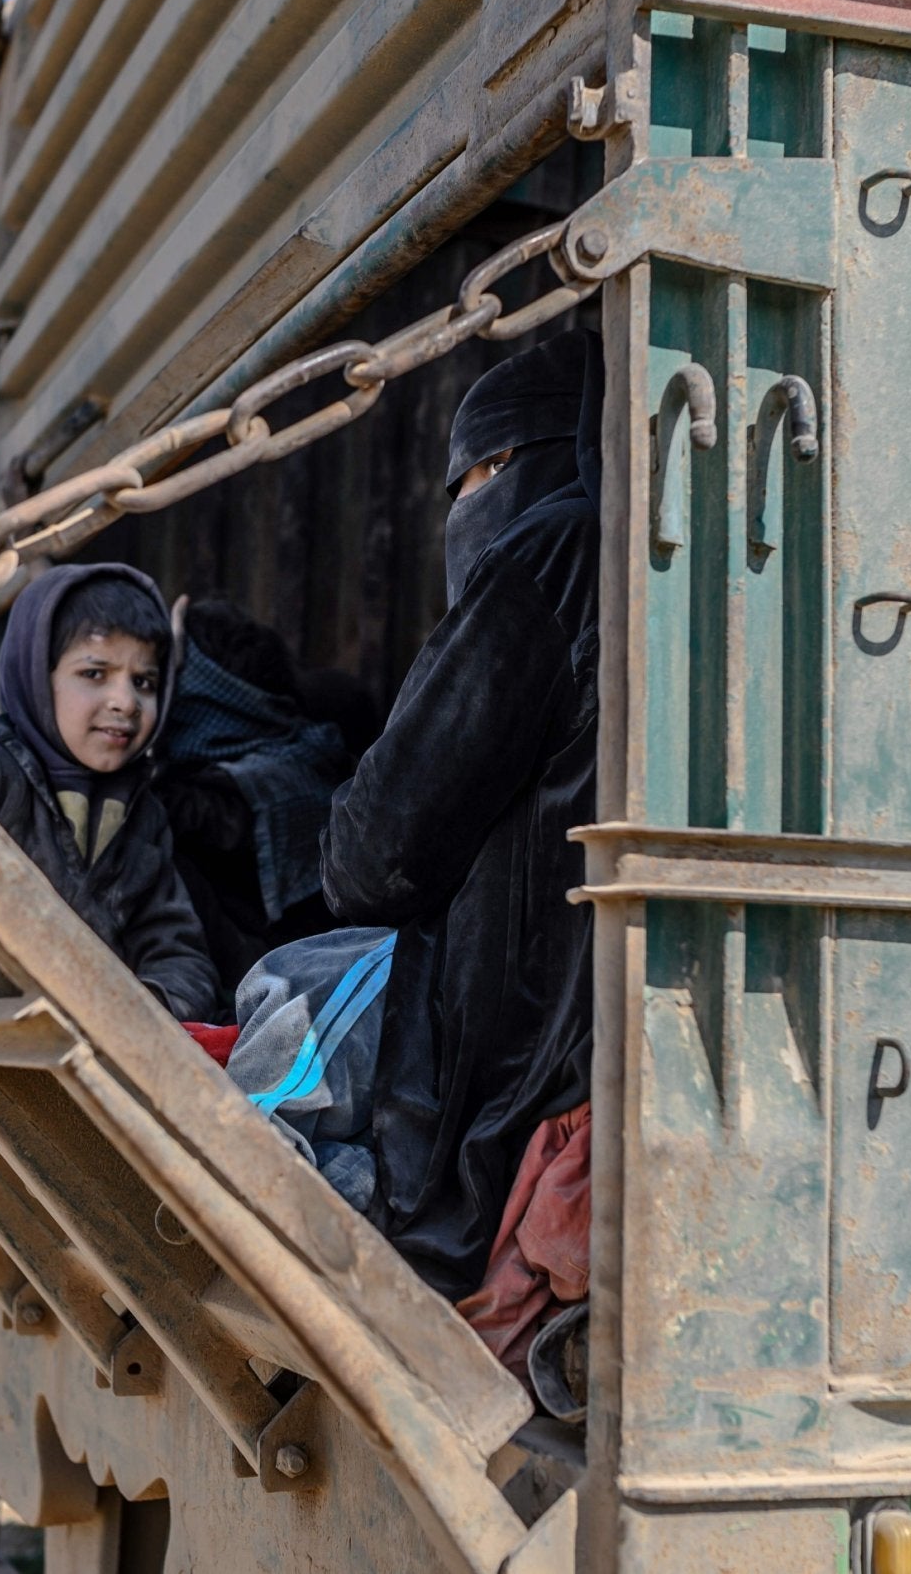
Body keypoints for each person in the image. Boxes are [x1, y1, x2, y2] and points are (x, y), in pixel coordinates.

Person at [227, 329, 601, 1299]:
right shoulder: (657, 553)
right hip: (578, 1041)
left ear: (509, 460)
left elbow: (368, 864)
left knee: (292, 993)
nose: (463, 506)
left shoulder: (543, 551)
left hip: (496, 1062)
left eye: (472, 477)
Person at [0, 563, 219, 1036]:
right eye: (95, 673)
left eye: (144, 682)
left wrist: (146, 1010)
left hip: (93, 1052)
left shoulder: (143, 815)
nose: (125, 702)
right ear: (35, 674)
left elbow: (176, 950)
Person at [155, 598, 356, 993]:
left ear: (195, 697)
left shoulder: (237, 793)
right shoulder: (306, 742)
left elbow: (177, 810)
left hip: (280, 996)